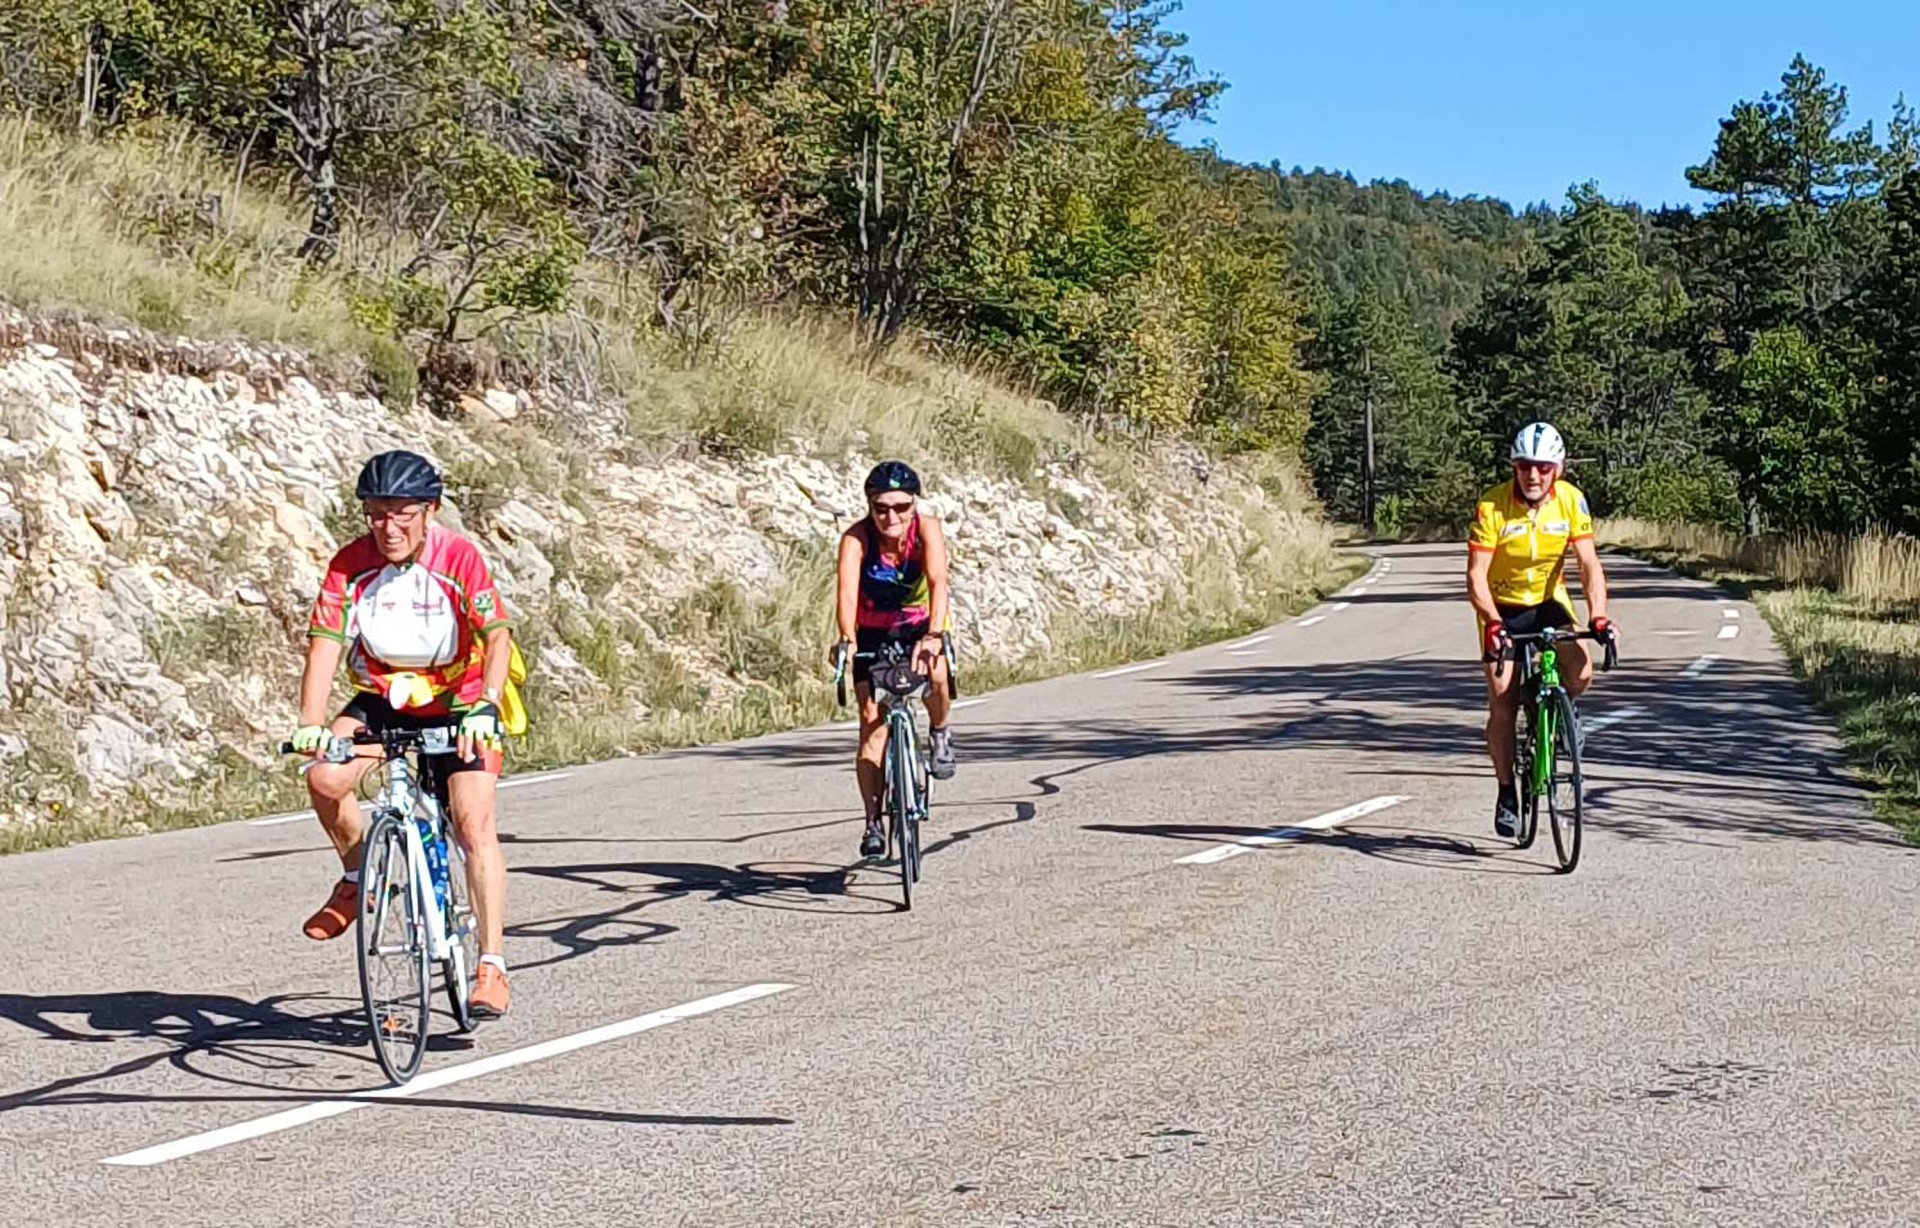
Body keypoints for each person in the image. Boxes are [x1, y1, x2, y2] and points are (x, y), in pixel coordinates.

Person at [289, 450, 516, 1019]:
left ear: (430, 511)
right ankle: (355, 875)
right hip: (384, 698)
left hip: (460, 700)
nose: (389, 528)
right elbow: (325, 645)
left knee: (472, 821)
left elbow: (497, 637)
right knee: (325, 776)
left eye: (402, 514)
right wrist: (311, 725)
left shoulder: (458, 557)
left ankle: (491, 965)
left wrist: (486, 705)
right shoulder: (350, 565)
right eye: (376, 514)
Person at [1466, 423, 1618, 839]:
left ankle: (1563, 709)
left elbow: (1588, 565)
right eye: (1524, 466)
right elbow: (1476, 576)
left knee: (1582, 670)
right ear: (1514, 467)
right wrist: (1493, 622)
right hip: (1503, 608)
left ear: (1559, 468)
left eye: (1543, 467)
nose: (1533, 476)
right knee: (1502, 704)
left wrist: (1598, 616)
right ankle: (1506, 793)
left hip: (1549, 603)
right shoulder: (1492, 507)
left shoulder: (1571, 502)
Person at [831, 460, 955, 861]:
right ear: (870, 505)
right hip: (871, 631)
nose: (892, 516)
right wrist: (847, 639)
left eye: (902, 507)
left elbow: (938, 582)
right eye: (882, 507)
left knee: (936, 673)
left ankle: (940, 732)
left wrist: (934, 635)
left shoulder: (927, 530)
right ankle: (872, 822)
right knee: (871, 724)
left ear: (913, 505)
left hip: (920, 625)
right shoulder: (856, 538)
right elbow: (847, 595)